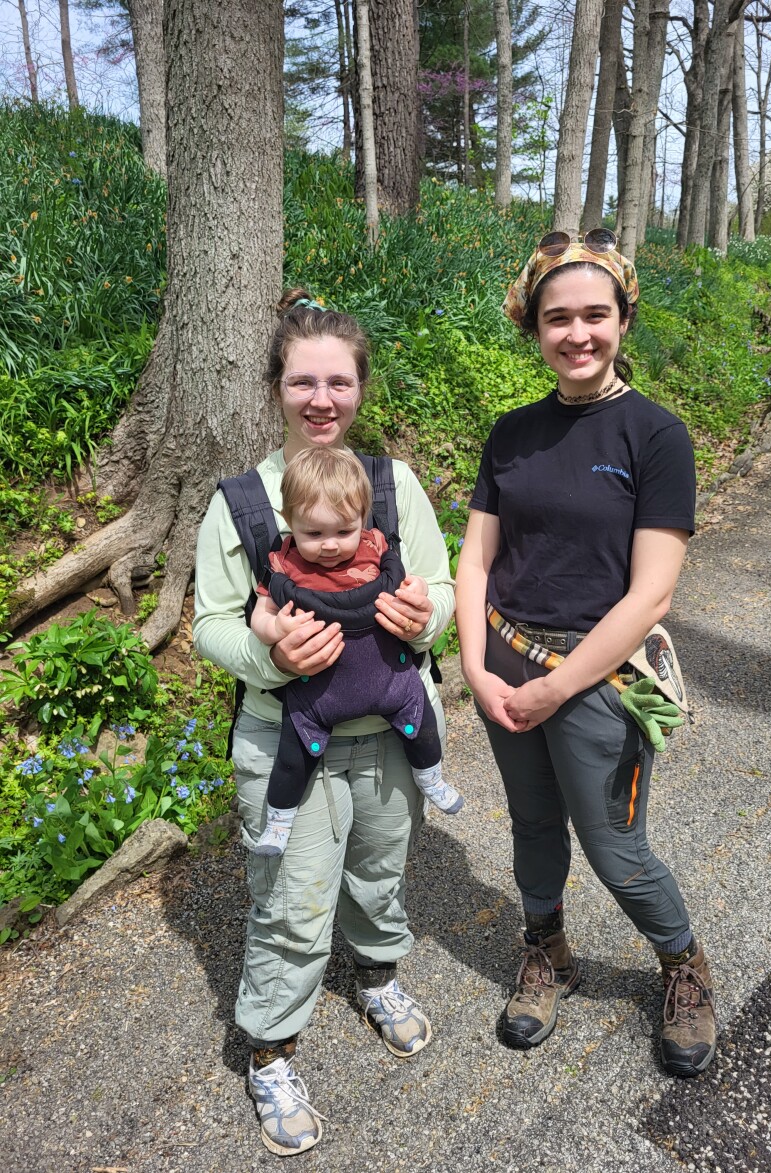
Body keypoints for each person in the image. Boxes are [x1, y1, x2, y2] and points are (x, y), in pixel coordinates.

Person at [193, 289, 455, 1155]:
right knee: (292, 899)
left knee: (381, 868)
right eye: (302, 381)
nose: (321, 400)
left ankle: (377, 973)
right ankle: (270, 1044)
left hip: (386, 726)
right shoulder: (240, 503)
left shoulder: (391, 484)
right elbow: (212, 624)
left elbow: (443, 591)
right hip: (286, 737)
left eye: (338, 381)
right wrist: (273, 655)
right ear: (276, 388)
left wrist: (426, 618)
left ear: (360, 388)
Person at [455, 229, 716, 1078]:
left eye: (594, 315)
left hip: (600, 673)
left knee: (616, 847)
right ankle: (547, 951)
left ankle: (681, 963)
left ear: (623, 319)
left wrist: (555, 687)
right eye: (556, 318)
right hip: (506, 659)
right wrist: (474, 664)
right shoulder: (512, 433)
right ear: (533, 327)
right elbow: (476, 559)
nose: (577, 334)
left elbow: (651, 595)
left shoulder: (655, 435)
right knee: (533, 823)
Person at [249, 445, 462, 857]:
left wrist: (417, 595)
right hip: (317, 690)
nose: (329, 545)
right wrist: (275, 629)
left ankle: (431, 776)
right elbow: (263, 610)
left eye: (344, 531)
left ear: (363, 520)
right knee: (293, 757)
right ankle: (279, 821)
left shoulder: (377, 548)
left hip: (388, 674)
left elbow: (416, 585)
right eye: (313, 533)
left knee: (422, 724)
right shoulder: (284, 564)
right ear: (289, 522)